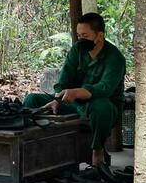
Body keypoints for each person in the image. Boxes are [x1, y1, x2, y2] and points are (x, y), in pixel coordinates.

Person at [23, 12, 126, 167]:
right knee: (32, 100)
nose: (80, 40)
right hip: (73, 103)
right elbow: (64, 80)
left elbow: (105, 89)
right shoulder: (77, 49)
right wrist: (57, 99)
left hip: (101, 107)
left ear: (99, 36)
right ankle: (32, 149)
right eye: (78, 35)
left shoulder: (115, 58)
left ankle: (97, 150)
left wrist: (77, 92)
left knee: (101, 107)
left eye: (85, 35)